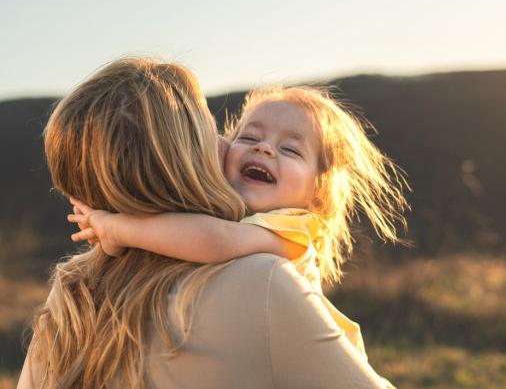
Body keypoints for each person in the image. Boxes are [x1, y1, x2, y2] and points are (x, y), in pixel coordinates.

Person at [18, 58, 398, 388]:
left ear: (318, 192)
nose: (261, 149)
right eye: (243, 136)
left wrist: (117, 228)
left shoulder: (72, 289)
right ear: (184, 155)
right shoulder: (261, 282)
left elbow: (215, 239)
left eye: (290, 149)